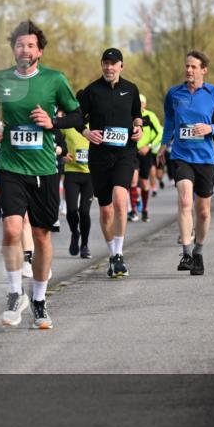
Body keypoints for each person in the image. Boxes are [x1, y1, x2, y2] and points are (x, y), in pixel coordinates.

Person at [0, 20, 82, 329]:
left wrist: (53, 122)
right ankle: (15, 294)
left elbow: (78, 115)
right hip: (10, 167)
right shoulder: (0, 79)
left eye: (30, 45)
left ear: (39, 50)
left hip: (44, 170)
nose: (24, 50)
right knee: (12, 230)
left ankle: (39, 299)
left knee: (40, 235)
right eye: (19, 45)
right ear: (13, 49)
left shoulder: (54, 80)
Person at [157, 51, 214, 276]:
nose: (189, 70)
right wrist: (164, 144)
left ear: (204, 70)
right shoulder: (174, 93)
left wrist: (211, 128)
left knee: (203, 211)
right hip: (181, 156)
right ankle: (186, 252)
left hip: (205, 158)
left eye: (193, 67)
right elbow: (170, 121)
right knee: (184, 201)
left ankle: (199, 251)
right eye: (187, 66)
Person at [77, 47, 143, 279]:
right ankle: (113, 254)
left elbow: (137, 114)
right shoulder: (91, 91)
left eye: (113, 63)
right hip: (99, 156)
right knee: (105, 210)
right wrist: (85, 133)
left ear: (121, 66)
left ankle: (119, 254)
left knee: (119, 197)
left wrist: (138, 127)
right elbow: (76, 118)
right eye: (105, 63)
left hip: (125, 153)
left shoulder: (131, 89)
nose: (109, 67)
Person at [60, 119, 93, 257]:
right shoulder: (68, 125)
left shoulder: (96, 124)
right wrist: (62, 155)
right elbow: (55, 140)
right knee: (71, 210)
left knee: (84, 211)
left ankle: (85, 245)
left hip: (90, 175)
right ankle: (75, 233)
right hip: (72, 173)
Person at [129, 93, 163, 223]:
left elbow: (159, 133)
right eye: (138, 103)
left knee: (144, 183)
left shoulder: (150, 116)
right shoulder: (130, 115)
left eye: (142, 103)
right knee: (133, 180)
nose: (140, 105)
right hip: (133, 152)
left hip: (146, 152)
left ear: (145, 104)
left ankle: (145, 210)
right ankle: (133, 211)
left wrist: (149, 145)